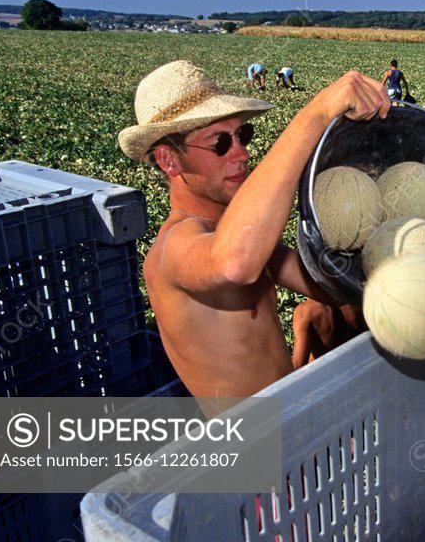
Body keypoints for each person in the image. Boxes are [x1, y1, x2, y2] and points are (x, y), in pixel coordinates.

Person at [117, 60, 389, 412]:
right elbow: (234, 264)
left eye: (242, 136)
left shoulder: (237, 239)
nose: (242, 154)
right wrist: (315, 114)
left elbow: (332, 290)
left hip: (291, 438)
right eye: (220, 144)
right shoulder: (174, 247)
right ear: (169, 161)